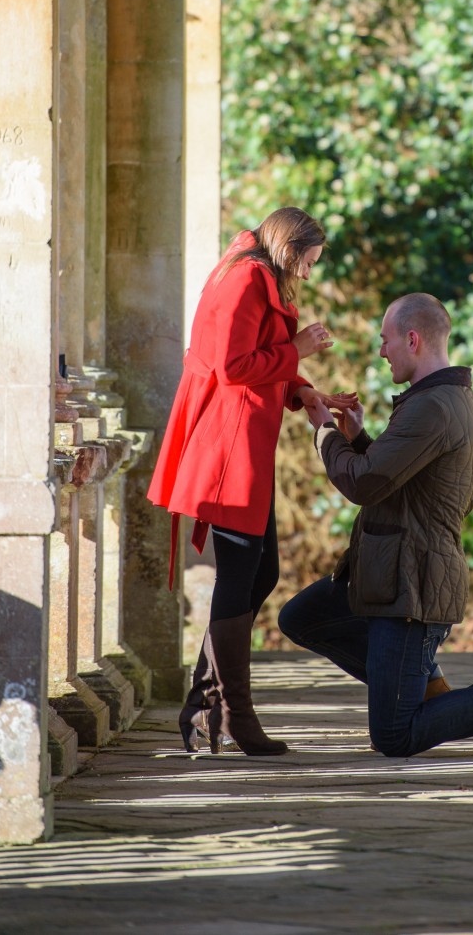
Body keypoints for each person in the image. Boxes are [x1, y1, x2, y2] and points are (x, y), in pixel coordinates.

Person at [280, 292, 473, 758]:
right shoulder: (450, 400)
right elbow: (398, 482)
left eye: (386, 341)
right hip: (386, 572)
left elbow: (364, 484)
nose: (382, 352)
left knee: (395, 735)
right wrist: (358, 437)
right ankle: (418, 681)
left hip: (411, 584)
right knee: (302, 617)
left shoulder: (433, 408)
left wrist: (322, 430)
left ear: (413, 339)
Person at [147, 206, 354, 757]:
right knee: (242, 577)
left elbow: (259, 361)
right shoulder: (245, 276)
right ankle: (229, 714)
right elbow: (236, 366)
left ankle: (206, 704)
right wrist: (300, 350)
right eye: (307, 262)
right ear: (289, 250)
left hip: (243, 448)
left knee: (261, 572)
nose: (308, 274)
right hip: (227, 451)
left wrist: (303, 390)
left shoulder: (253, 270)